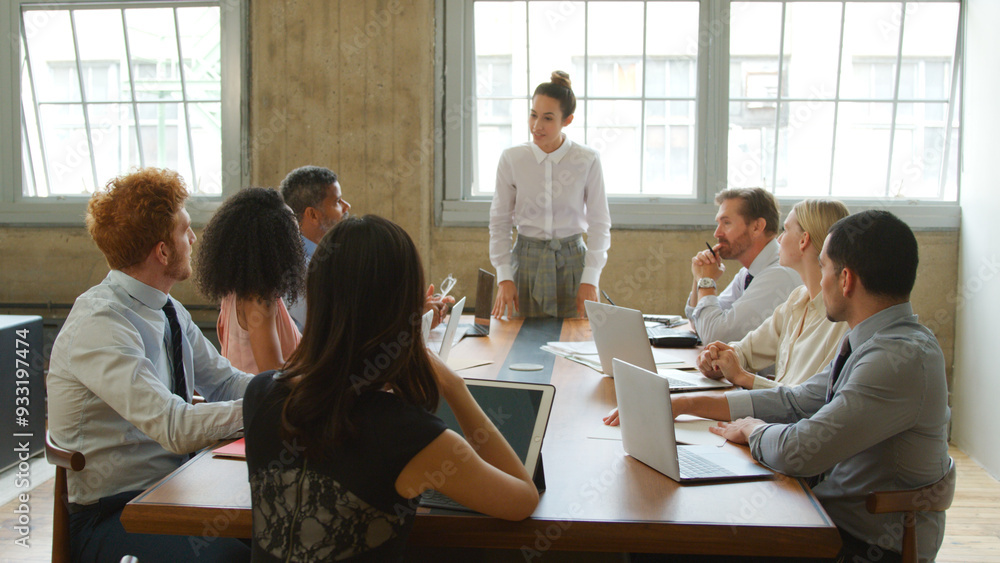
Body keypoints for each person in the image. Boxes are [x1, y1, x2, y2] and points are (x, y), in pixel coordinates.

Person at [609, 210, 950, 563]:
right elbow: (797, 400)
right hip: (823, 514)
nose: (820, 280)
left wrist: (754, 430)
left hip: (857, 543)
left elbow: (800, 451)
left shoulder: (896, 359)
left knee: (666, 543)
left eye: (825, 267)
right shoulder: (874, 341)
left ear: (845, 279)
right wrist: (683, 404)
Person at [243, 215, 539, 561]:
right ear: (405, 311)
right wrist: (455, 387)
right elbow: (523, 499)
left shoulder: (261, 393)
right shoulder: (411, 436)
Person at [47, 168, 251, 562]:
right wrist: (270, 406)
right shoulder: (101, 323)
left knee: (283, 536)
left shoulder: (167, 307)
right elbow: (175, 427)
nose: (193, 239)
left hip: (175, 491)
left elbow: (225, 383)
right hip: (112, 517)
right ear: (162, 251)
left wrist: (297, 388)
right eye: (185, 230)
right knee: (237, 557)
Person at [489, 70, 611, 319]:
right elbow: (500, 222)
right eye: (533, 115)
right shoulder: (512, 159)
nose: (537, 126)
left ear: (567, 120)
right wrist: (504, 277)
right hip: (524, 264)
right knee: (519, 347)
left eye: (547, 118)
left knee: (574, 345)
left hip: (574, 264)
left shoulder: (586, 159)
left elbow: (600, 224)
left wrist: (590, 278)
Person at [697, 199, 850, 389]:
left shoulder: (840, 318)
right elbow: (746, 350)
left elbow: (807, 400)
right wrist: (717, 357)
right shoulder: (798, 299)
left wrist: (743, 377)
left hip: (792, 418)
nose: (779, 239)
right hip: (774, 416)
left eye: (785, 230)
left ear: (804, 240)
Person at [280, 165, 452, 330]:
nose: (347, 206)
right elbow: (344, 328)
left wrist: (415, 313)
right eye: (337, 201)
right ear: (313, 214)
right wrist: (411, 320)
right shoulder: (298, 270)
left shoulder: (329, 255)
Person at [195, 187, 305, 374]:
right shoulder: (258, 300)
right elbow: (271, 371)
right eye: (293, 234)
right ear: (278, 244)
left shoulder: (234, 291)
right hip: (261, 401)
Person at [685, 187, 802, 344]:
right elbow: (699, 323)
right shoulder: (748, 273)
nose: (717, 233)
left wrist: (706, 281)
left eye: (726, 223)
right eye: (718, 223)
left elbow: (714, 336)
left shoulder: (779, 274)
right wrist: (699, 277)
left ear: (756, 227)